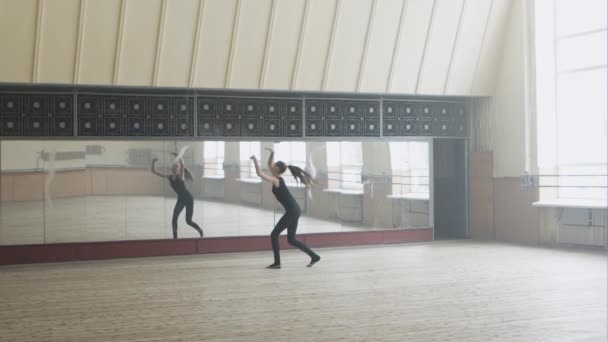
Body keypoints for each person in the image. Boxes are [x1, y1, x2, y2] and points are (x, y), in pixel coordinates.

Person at [251, 147, 321, 269]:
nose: (271, 165)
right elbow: (269, 163)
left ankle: (277, 263)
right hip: (294, 210)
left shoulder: (276, 180)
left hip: (292, 211)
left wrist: (255, 159)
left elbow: (259, 173)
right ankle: (314, 256)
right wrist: (272, 152)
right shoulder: (277, 178)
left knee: (274, 235)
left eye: (274, 165)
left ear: (277, 168)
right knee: (291, 239)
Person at [151, 156, 203, 239]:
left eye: (176, 167)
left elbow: (182, 165)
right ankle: (175, 237)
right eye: (173, 167)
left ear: (178, 169)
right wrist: (153, 162)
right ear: (171, 169)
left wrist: (179, 157)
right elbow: (154, 171)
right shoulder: (169, 177)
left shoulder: (181, 176)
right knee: (174, 218)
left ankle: (200, 230)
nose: (174, 168)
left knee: (188, 221)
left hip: (189, 199)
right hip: (181, 199)